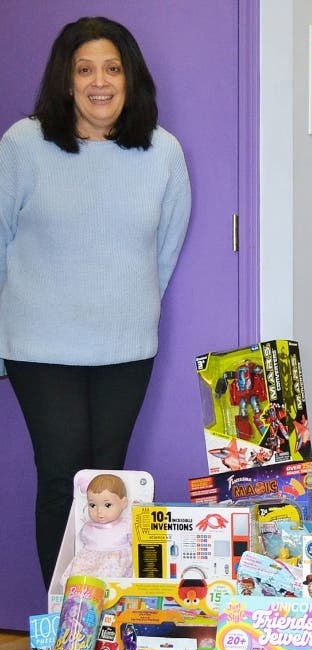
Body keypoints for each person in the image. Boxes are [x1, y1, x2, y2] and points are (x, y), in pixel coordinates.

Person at [0, 17, 192, 586]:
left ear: (130, 79)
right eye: (85, 70)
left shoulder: (162, 152)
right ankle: (64, 633)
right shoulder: (23, 144)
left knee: (109, 485)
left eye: (112, 68)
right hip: (40, 346)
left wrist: (130, 309)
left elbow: (164, 250)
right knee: (62, 479)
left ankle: (102, 625)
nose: (99, 82)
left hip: (125, 347)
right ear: (66, 80)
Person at [62, 473, 131, 581]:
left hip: (116, 563)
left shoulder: (127, 525)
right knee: (79, 573)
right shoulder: (89, 527)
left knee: (112, 574)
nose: (99, 511)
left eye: (107, 505)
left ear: (123, 503)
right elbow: (84, 539)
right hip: (89, 560)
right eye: (92, 505)